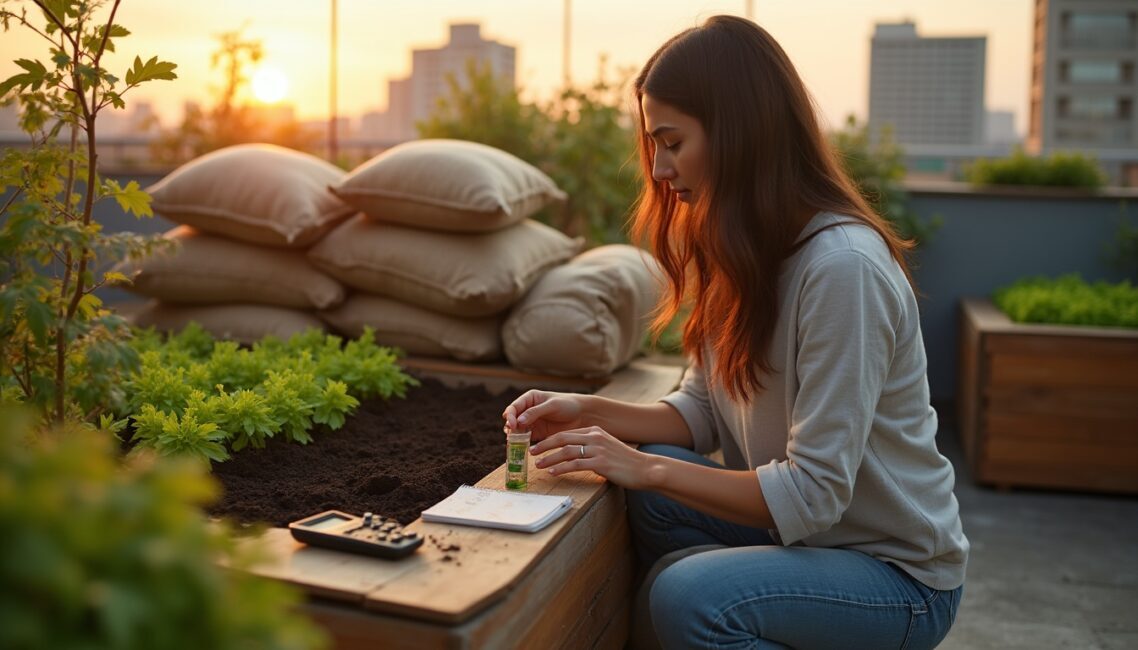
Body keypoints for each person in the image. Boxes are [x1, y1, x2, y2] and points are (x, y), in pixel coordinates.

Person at [502, 14, 967, 650]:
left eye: (673, 142)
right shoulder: (742, 248)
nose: (660, 169)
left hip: (895, 576)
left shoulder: (841, 271)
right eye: (653, 146)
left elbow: (814, 493)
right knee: (657, 497)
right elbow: (702, 412)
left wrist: (640, 466)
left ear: (741, 135)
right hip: (808, 539)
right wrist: (589, 411)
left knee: (689, 594)